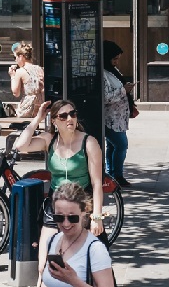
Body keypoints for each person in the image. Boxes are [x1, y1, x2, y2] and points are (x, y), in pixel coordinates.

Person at [14, 99, 107, 237]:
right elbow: (20, 146)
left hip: (81, 203)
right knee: (47, 247)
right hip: (56, 202)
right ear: (54, 121)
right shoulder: (49, 140)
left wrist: (97, 217)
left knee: (80, 251)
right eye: (63, 116)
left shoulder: (89, 142)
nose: (69, 119)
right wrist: (38, 118)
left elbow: (97, 183)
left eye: (72, 114)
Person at [102, 41, 135, 189]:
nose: (116, 62)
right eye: (114, 59)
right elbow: (105, 97)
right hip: (110, 118)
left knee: (112, 146)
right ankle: (117, 175)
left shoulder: (113, 71)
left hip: (118, 117)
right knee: (121, 144)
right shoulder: (103, 74)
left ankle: (111, 173)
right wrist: (124, 91)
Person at [9, 42, 44, 119]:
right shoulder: (40, 69)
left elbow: (16, 93)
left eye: (15, 58)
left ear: (21, 57)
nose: (15, 61)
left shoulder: (20, 71)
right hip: (41, 108)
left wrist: (12, 76)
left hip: (27, 108)